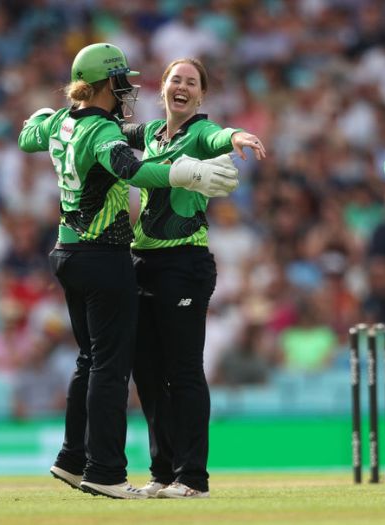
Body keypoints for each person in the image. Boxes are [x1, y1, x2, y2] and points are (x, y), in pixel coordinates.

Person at [17, 43, 239, 500]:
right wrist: (186, 173)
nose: (127, 89)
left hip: (71, 251)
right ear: (104, 85)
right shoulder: (104, 132)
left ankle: (76, 460)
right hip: (107, 256)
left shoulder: (63, 121)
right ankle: (106, 470)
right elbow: (132, 169)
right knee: (113, 367)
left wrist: (40, 115)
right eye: (121, 81)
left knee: (98, 361)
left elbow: (29, 136)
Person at [122, 58, 266, 499]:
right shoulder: (148, 134)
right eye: (175, 80)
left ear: (201, 95)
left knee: (183, 371)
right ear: (162, 88)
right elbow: (106, 133)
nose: (182, 87)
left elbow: (221, 135)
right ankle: (162, 473)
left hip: (185, 264)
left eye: (191, 82)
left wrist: (238, 136)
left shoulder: (200, 133)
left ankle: (193, 478)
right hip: (141, 261)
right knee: (147, 374)